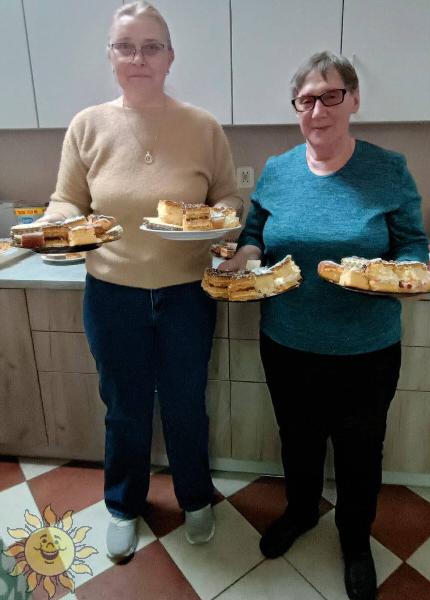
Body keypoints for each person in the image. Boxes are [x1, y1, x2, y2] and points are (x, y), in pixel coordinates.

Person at [220, 51, 430, 600]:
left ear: (354, 100)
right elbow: (255, 233)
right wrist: (244, 257)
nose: (318, 110)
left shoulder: (388, 169)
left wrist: (400, 274)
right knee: (298, 439)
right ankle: (300, 511)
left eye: (331, 95)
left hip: (367, 348)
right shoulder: (277, 170)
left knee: (361, 450)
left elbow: (412, 244)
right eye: (306, 100)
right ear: (296, 108)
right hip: (287, 342)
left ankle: (355, 539)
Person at [40, 1, 241, 560]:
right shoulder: (87, 125)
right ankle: (123, 505)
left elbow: (227, 195)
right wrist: (55, 224)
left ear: (170, 57)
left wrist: (223, 220)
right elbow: (67, 199)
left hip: (187, 294)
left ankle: (195, 498)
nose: (139, 58)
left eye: (152, 47)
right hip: (112, 294)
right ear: (110, 56)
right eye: (126, 47)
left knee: (185, 404)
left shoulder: (202, 126)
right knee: (124, 407)